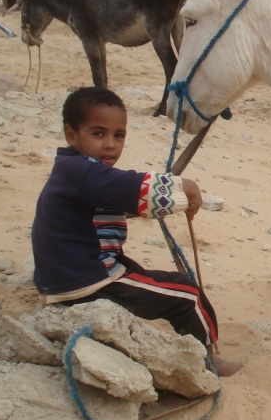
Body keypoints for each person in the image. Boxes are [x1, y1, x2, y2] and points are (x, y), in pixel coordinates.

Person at [31, 86, 241, 377]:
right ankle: (206, 360)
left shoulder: (73, 170)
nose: (110, 145)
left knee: (150, 280)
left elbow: (118, 200)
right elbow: (134, 189)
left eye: (119, 135)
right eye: (98, 133)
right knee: (187, 295)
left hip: (65, 277)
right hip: (89, 279)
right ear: (71, 135)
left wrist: (170, 205)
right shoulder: (82, 171)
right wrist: (184, 189)